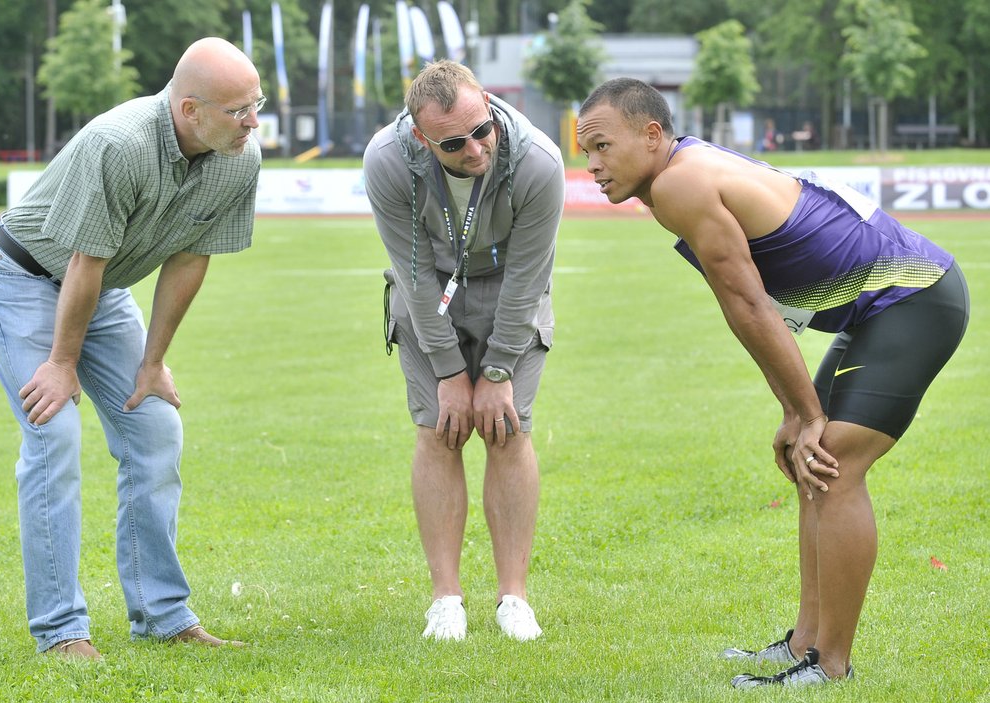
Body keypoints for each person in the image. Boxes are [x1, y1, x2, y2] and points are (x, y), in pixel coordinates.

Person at [576, 78, 969, 687]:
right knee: (810, 463)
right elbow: (749, 306)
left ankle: (828, 666)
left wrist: (808, 414)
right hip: (883, 305)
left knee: (831, 464)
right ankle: (804, 645)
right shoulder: (672, 177)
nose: (593, 166)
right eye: (586, 153)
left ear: (652, 135)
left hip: (912, 297)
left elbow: (750, 304)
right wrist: (795, 412)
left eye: (601, 147)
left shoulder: (681, 182)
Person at [0, 37, 264, 659]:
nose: (254, 122)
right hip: (24, 276)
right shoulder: (121, 142)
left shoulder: (240, 156)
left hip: (99, 291)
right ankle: (61, 633)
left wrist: (152, 363)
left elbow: (189, 257)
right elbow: (85, 260)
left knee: (155, 428)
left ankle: (162, 615)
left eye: (256, 104)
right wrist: (61, 364)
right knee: (53, 436)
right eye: (239, 109)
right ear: (190, 109)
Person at [363, 60, 564, 642]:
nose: (476, 149)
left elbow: (530, 275)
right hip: (430, 296)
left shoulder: (537, 160)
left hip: (511, 293)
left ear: (491, 105)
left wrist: (497, 370)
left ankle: (513, 599)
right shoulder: (388, 160)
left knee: (507, 429)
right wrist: (450, 371)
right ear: (422, 137)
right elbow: (414, 273)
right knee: (438, 430)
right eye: (454, 143)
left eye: (482, 130)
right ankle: (446, 599)